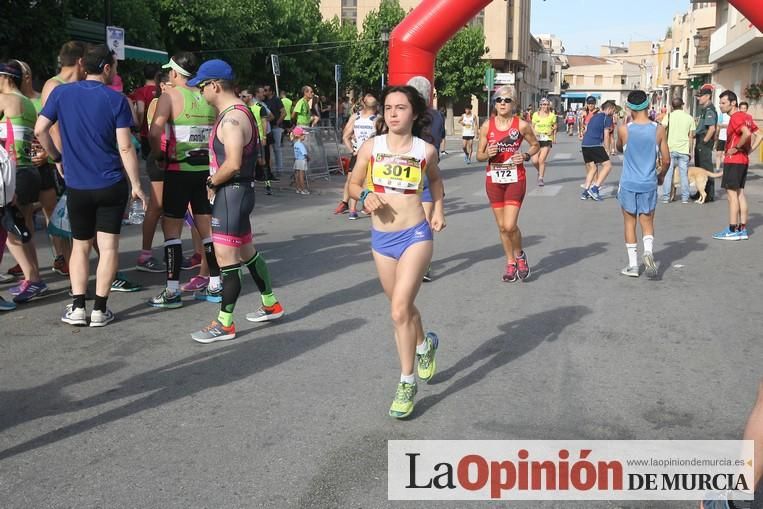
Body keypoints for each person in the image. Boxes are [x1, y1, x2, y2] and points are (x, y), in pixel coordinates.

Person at [348, 85, 445, 419]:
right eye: (388, 107)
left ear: (414, 114)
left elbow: (435, 182)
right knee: (402, 309)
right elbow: (352, 184)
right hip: (382, 239)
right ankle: (424, 345)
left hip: (415, 234)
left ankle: (406, 382)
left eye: (400, 108)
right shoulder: (371, 147)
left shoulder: (425, 150)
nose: (392, 113)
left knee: (399, 310)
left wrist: (438, 210)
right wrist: (363, 197)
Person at [35, 44, 147, 326]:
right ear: (107, 68)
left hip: (78, 187)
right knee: (108, 248)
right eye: (115, 68)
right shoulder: (116, 99)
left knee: (80, 246)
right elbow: (125, 147)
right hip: (111, 184)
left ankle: (76, 308)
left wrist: (56, 157)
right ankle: (100, 309)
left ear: (84, 66)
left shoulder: (61, 93)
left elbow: (40, 129)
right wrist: (136, 184)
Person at [187, 59, 284, 342]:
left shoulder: (231, 119)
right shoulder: (239, 112)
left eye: (202, 87)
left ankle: (224, 323)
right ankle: (271, 304)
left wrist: (210, 183)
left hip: (231, 194)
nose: (200, 92)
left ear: (215, 86)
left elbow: (233, 163)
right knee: (246, 253)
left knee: (227, 260)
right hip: (238, 195)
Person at [147, 52, 221, 308]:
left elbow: (155, 130)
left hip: (177, 171)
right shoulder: (207, 97)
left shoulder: (169, 96)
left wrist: (157, 155)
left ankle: (172, 291)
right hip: (204, 173)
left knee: (172, 232)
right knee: (207, 230)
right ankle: (215, 284)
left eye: (170, 71)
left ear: (176, 73)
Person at [476, 85, 540, 282]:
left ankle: (519, 255)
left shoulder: (521, 125)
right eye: (499, 100)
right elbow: (479, 155)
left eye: (507, 100)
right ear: (494, 104)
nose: (502, 103)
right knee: (502, 227)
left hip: (515, 178)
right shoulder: (487, 126)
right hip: (494, 180)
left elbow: (536, 145)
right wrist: (488, 154)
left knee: (510, 224)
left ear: (514, 104)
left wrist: (526, 155)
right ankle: (510, 262)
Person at [0, 61, 47, 303]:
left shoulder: (6, 100)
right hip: (28, 172)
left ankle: (33, 279)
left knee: (10, 232)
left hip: (12, 173)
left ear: (5, 78)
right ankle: (34, 277)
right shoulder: (28, 103)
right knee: (21, 228)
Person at [18, 60, 70, 278]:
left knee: (52, 211)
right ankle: (29, 263)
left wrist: (48, 155)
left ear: (27, 76)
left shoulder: (41, 100)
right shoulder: (10, 102)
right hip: (21, 166)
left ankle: (62, 257)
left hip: (46, 164)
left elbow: (53, 130)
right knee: (24, 214)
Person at [615, 90, 669, 278]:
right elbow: (667, 160)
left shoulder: (625, 129)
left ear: (629, 108)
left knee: (629, 223)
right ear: (647, 105)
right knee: (647, 222)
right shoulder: (659, 128)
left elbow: (618, 148)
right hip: (649, 183)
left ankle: (633, 266)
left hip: (629, 183)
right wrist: (661, 176)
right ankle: (648, 252)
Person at [408, 77, 444, 283]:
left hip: (409, 171)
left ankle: (412, 261)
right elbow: (439, 140)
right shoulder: (437, 116)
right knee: (426, 222)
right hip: (429, 172)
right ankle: (424, 264)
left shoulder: (410, 115)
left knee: (408, 219)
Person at [712, 90, 759, 241]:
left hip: (734, 160)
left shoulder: (736, 117)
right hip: (743, 160)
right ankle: (742, 229)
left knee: (732, 196)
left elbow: (747, 134)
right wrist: (749, 150)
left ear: (733, 103)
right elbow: (760, 134)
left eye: (723, 103)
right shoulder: (747, 116)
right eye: (720, 103)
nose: (720, 106)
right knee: (740, 194)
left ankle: (732, 229)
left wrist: (737, 147)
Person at [337, 91, 378, 217]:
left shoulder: (377, 119)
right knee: (355, 180)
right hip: (360, 153)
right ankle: (352, 209)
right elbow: (345, 135)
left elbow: (345, 136)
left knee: (362, 181)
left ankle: (359, 208)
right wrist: (352, 150)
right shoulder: (357, 117)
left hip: (369, 154)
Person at [661, 97, 696, 204]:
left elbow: (662, 130)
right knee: (683, 174)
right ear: (682, 105)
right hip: (684, 149)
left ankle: (666, 197)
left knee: (668, 174)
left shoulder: (668, 116)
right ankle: (685, 198)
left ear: (672, 106)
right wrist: (691, 151)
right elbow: (691, 136)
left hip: (670, 148)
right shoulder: (689, 118)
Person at [580, 97, 615, 201]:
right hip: (595, 144)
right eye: (613, 110)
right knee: (608, 166)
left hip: (585, 145)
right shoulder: (607, 118)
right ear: (609, 109)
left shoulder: (594, 116)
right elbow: (606, 134)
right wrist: (607, 149)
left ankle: (585, 191)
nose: (613, 112)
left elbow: (587, 130)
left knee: (593, 168)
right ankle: (595, 188)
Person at [694, 85, 718, 202]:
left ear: (707, 96)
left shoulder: (709, 110)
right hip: (700, 139)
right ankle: (700, 192)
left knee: (705, 168)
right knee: (699, 169)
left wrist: (703, 142)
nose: (698, 99)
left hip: (704, 141)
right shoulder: (704, 109)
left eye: (700, 96)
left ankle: (709, 194)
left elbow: (712, 129)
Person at [531, 98, 556, 186]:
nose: (545, 106)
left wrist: (552, 130)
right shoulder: (535, 115)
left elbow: (555, 125)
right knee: (534, 161)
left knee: (541, 160)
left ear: (549, 105)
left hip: (547, 139)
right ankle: (540, 172)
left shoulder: (552, 115)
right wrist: (535, 133)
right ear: (540, 105)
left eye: (546, 104)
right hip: (536, 140)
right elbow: (532, 126)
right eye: (543, 104)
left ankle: (541, 178)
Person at [263, 84, 284, 176]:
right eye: (264, 90)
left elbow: (284, 113)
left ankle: (280, 169)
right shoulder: (265, 101)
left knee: (277, 149)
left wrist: (277, 123)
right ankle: (273, 168)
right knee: (270, 149)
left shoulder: (276, 100)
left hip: (275, 127)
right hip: (269, 127)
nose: (265, 92)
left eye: (266, 90)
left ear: (271, 91)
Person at [292, 126, 309, 195]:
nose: (304, 136)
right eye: (303, 135)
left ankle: (298, 188)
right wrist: (308, 158)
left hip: (297, 160)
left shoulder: (295, 144)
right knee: (302, 175)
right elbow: (305, 154)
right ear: (299, 136)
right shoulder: (301, 145)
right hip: (302, 161)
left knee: (297, 175)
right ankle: (303, 189)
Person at [715, 108, 730, 172]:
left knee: (725, 154)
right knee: (718, 153)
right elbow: (718, 124)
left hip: (729, 137)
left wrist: (724, 125)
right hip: (721, 137)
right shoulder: (721, 114)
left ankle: (725, 169)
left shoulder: (732, 114)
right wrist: (716, 135)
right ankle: (717, 169)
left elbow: (732, 125)